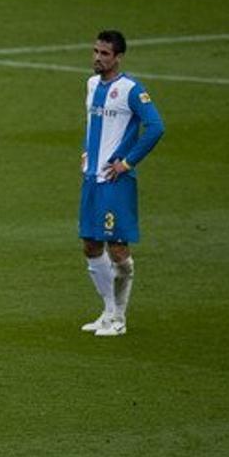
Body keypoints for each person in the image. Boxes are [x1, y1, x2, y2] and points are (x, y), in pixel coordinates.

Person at [78, 30, 165, 337]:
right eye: (95, 51)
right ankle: (107, 311)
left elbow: (156, 127)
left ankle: (120, 318)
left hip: (116, 181)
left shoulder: (130, 89)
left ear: (118, 57)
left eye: (104, 53)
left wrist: (127, 162)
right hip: (92, 179)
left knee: (117, 249)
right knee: (90, 245)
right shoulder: (91, 85)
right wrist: (87, 153)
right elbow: (93, 124)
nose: (97, 58)